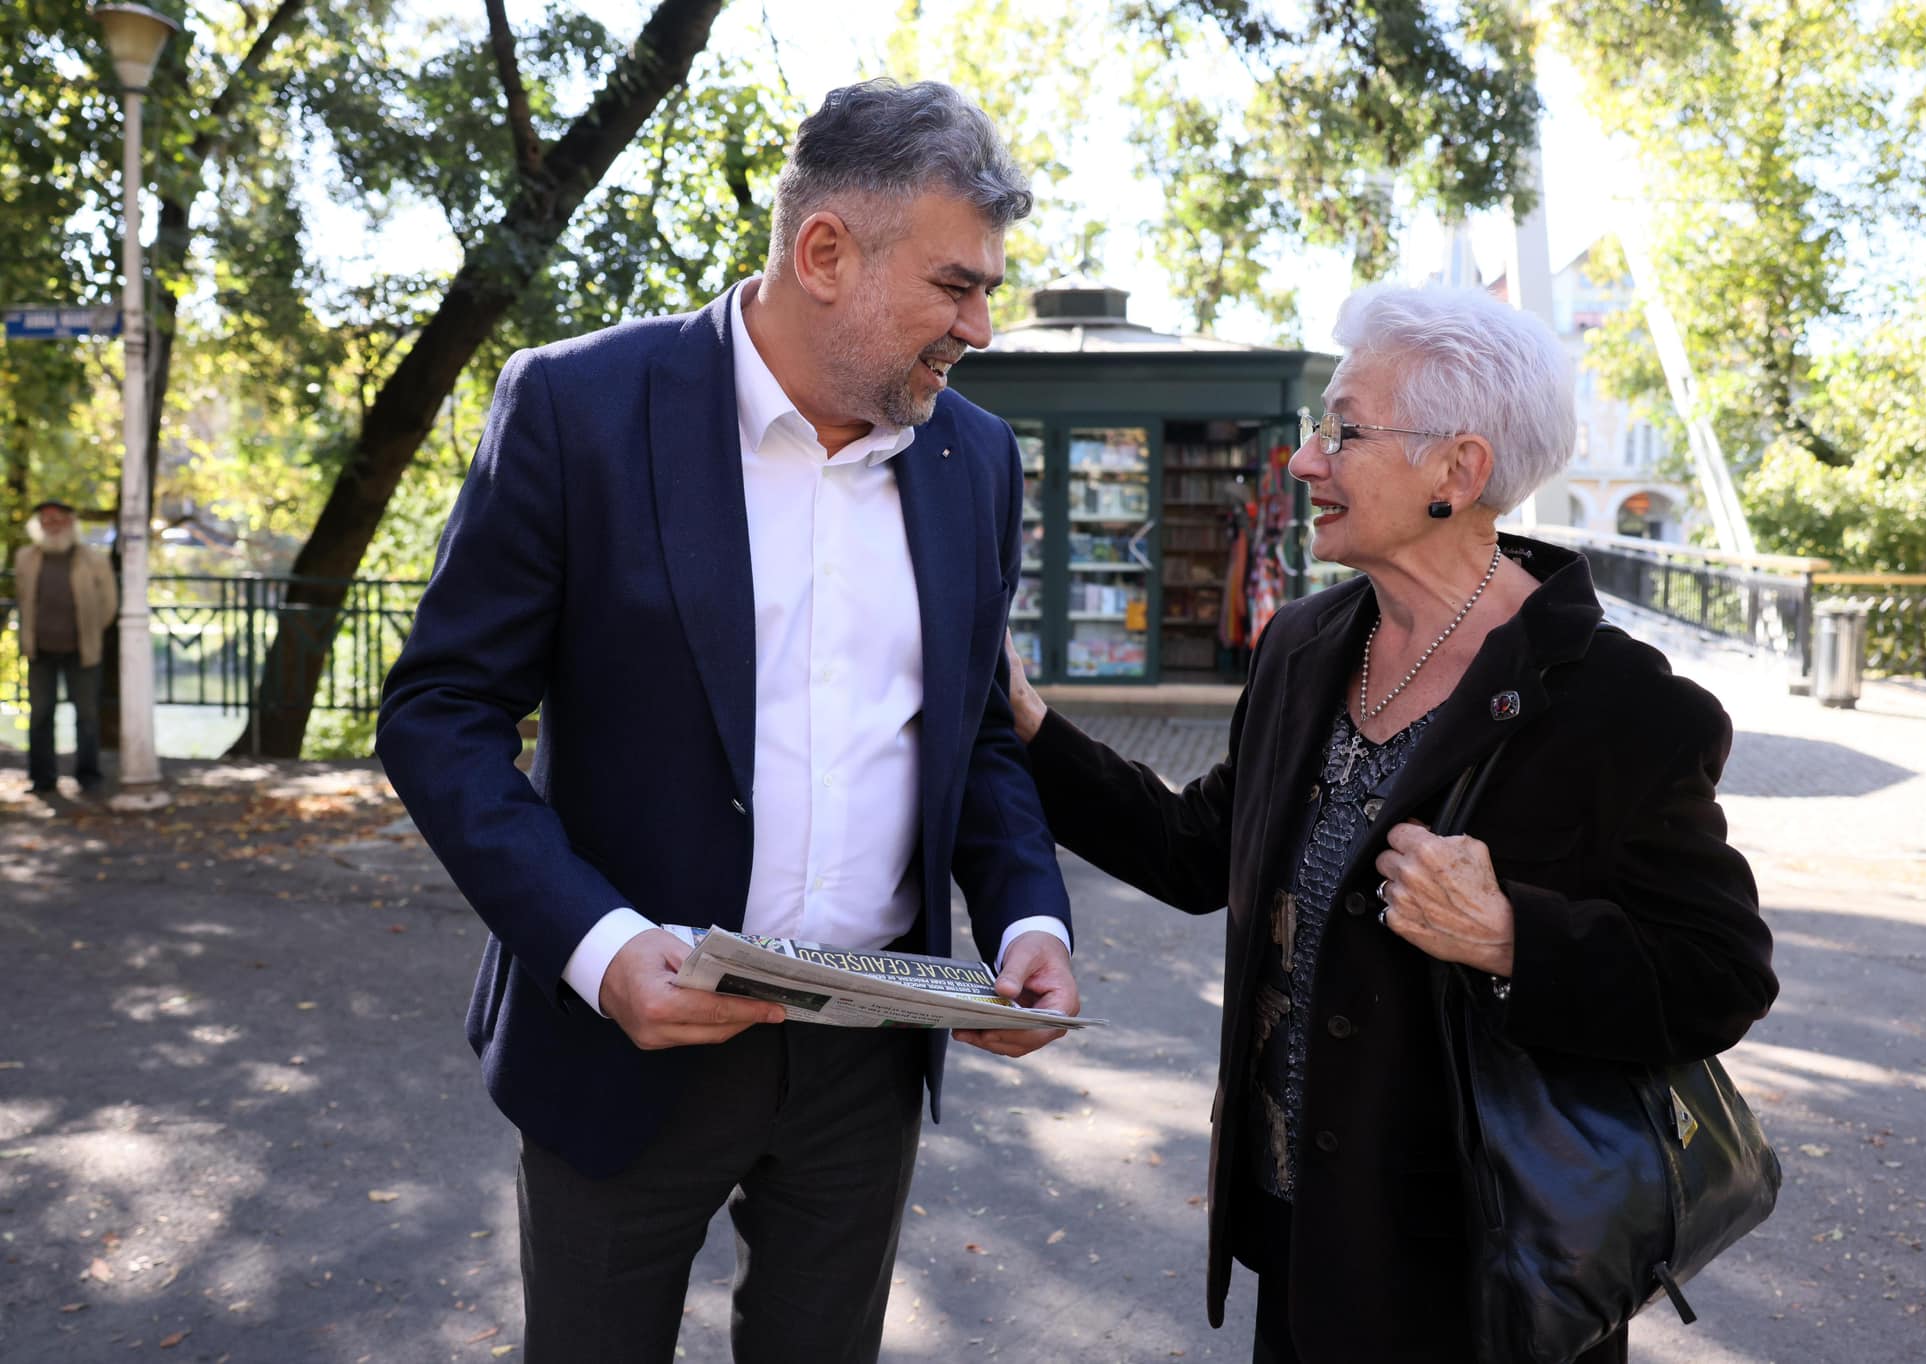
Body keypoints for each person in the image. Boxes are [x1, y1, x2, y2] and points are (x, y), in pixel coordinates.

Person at [377, 79, 1078, 1364]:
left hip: (867, 1056)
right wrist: (595, 946)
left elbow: (972, 733)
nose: (979, 324)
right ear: (824, 254)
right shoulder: (575, 407)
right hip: (619, 1040)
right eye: (954, 286)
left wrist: (1029, 913)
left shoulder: (973, 459)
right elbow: (440, 712)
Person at [1002, 284, 1777, 1363]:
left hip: (1483, 1281)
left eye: (1344, 428)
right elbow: (1195, 850)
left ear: (1456, 472)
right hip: (1302, 1243)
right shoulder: (1305, 645)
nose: (1305, 459)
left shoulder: (1620, 706)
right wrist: (1029, 723)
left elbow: (1717, 974)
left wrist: (1514, 935)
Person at [12, 499, 117, 795]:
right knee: (40, 715)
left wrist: (91, 630)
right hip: (41, 650)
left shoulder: (92, 560)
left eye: (58, 518)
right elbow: (23, 599)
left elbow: (109, 604)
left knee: (86, 716)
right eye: (46, 519)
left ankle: (88, 777)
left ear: (70, 522)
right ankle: (42, 779)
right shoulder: (26, 558)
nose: (52, 524)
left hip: (81, 650)